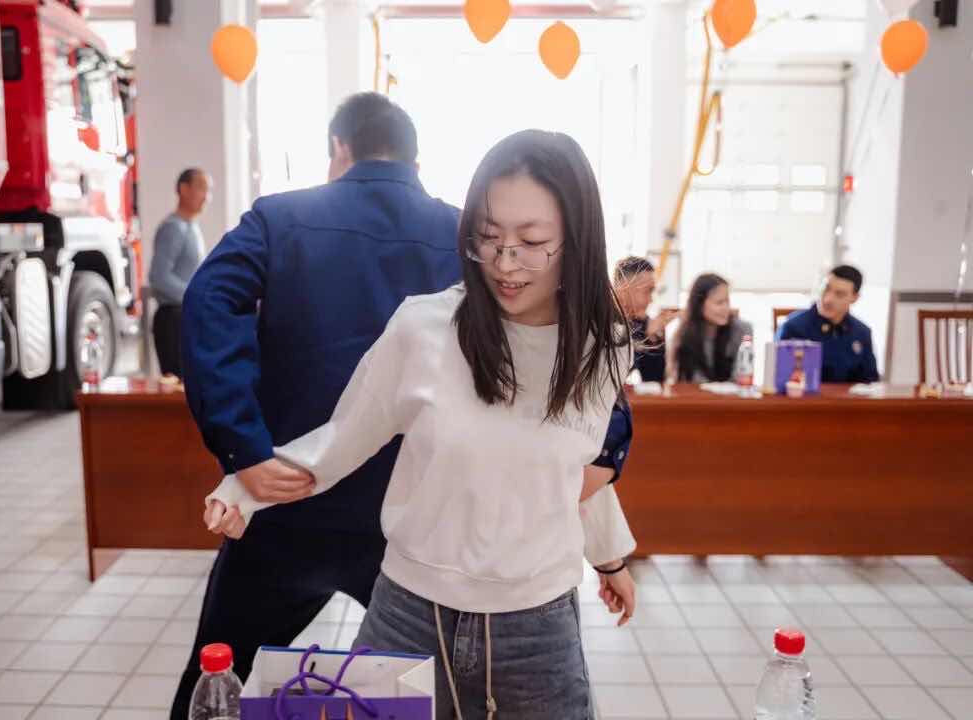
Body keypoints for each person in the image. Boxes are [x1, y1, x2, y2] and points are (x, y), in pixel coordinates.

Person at [206, 130, 639, 720]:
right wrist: (244, 487)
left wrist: (610, 557)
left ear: (578, 239)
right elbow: (342, 440)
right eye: (488, 237)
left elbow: (569, 470)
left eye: (532, 242)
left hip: (538, 628)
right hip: (409, 614)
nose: (505, 263)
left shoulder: (604, 347)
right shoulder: (425, 328)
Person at [170, 94, 464, 720]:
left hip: (286, 501)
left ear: (339, 148)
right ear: (414, 160)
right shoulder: (462, 233)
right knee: (435, 690)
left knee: (218, 677)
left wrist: (242, 446)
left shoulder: (281, 218)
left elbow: (207, 302)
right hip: (409, 516)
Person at [148, 167, 212, 378]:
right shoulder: (174, 228)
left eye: (208, 190)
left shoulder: (193, 227)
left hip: (187, 317)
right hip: (173, 320)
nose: (206, 197)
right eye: (201, 188)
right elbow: (159, 277)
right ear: (184, 189)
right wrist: (197, 296)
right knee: (178, 388)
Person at [777, 264, 880, 383]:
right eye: (826, 289)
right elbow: (781, 379)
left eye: (839, 294)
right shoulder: (793, 327)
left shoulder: (862, 333)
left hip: (847, 395)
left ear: (854, 298)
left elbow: (870, 381)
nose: (828, 299)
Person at [667, 272, 752, 383]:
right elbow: (682, 379)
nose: (726, 308)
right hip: (696, 393)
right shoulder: (684, 334)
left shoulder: (742, 329)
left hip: (731, 393)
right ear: (699, 305)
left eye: (727, 301)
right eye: (719, 302)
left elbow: (742, 376)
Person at [613, 256, 677, 383]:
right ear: (623, 288)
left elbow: (655, 382)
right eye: (648, 291)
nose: (651, 300)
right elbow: (619, 377)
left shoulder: (645, 323)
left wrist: (653, 340)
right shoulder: (603, 324)